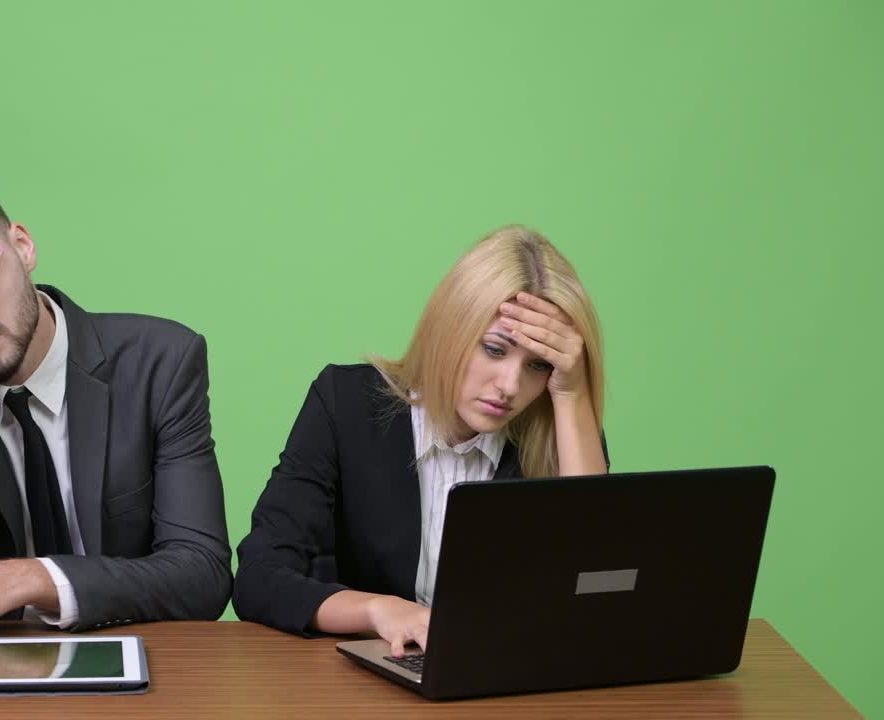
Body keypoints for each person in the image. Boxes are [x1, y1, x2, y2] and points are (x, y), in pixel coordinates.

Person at [0, 169, 231, 632]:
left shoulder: (160, 362)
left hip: (140, 667)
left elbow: (202, 575)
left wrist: (28, 579)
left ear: (23, 246)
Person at [233, 225, 608, 655]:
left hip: (510, 680)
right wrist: (378, 610)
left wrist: (572, 395)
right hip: (366, 684)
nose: (509, 385)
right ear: (451, 329)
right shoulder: (346, 403)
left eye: (539, 366)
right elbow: (259, 578)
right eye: (494, 349)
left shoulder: (559, 428)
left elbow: (595, 596)